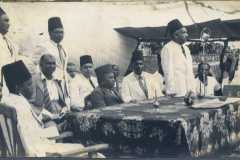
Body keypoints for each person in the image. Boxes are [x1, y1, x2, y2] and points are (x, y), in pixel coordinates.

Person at [1, 60, 104, 158]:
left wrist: (57, 130)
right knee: (96, 153)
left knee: (78, 144)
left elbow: (33, 134)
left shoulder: (10, 101)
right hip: (45, 153)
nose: (33, 87)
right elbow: (31, 148)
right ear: (17, 88)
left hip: (39, 147)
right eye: (29, 84)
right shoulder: (20, 108)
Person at [30, 54, 69, 131]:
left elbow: (62, 101)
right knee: (53, 130)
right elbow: (31, 104)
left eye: (53, 63)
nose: (51, 66)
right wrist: (50, 116)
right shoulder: (34, 80)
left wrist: (64, 109)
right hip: (45, 118)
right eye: (48, 63)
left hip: (61, 115)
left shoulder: (56, 80)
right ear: (41, 65)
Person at [160, 19, 196, 97]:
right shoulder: (167, 48)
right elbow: (168, 71)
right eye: (184, 32)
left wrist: (193, 89)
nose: (187, 35)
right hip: (177, 92)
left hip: (189, 92)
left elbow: (190, 71)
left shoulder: (186, 49)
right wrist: (171, 91)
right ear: (176, 35)